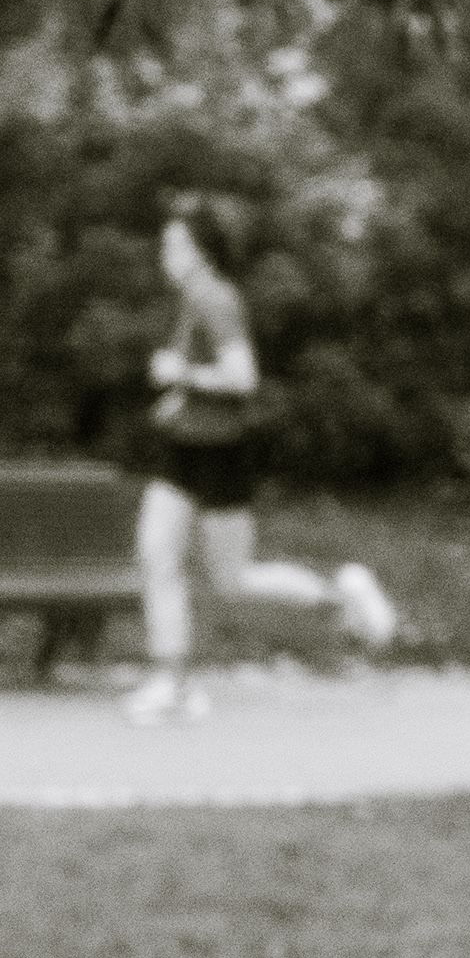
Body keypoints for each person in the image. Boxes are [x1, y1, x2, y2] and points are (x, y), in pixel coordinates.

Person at [125, 195, 399, 725]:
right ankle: (172, 682)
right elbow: (208, 379)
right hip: (184, 450)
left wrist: (180, 375)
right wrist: (180, 397)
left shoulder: (217, 300)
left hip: (222, 454)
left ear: (201, 251)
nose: (165, 255)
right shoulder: (194, 299)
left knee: (232, 580)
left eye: (174, 245)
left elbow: (242, 377)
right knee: (156, 555)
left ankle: (340, 596)